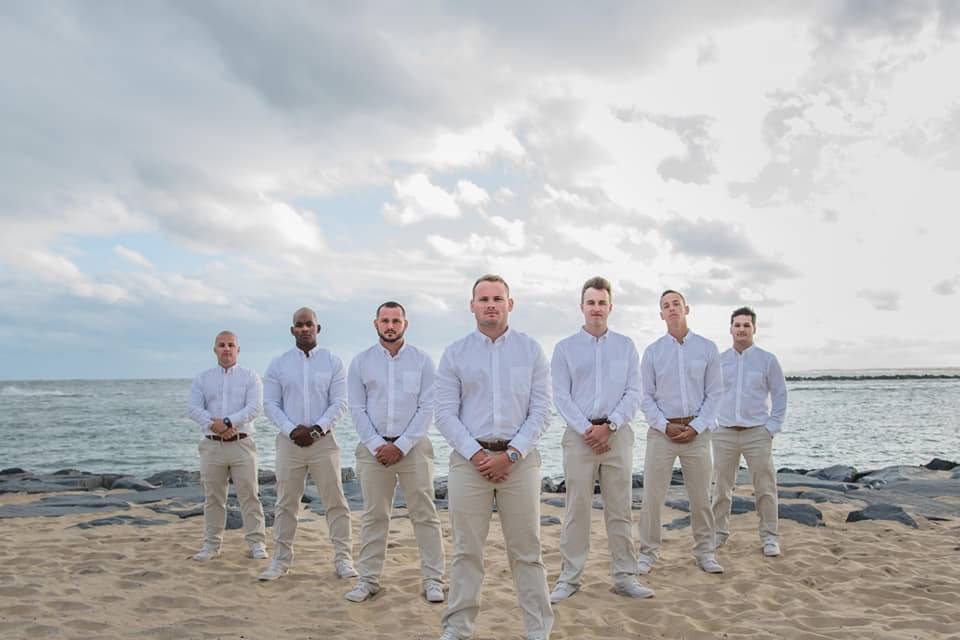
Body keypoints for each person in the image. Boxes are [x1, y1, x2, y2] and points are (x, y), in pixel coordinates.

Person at [435, 275, 554, 640]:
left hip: (520, 461)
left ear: (510, 304)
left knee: (527, 551)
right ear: (471, 305)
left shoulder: (531, 350)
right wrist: (476, 455)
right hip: (469, 463)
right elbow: (444, 413)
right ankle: (458, 628)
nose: (490, 304)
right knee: (466, 551)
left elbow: (542, 410)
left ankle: (538, 629)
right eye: (483, 298)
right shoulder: (455, 353)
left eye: (497, 298)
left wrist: (512, 453)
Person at [549, 277, 652, 603]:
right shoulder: (565, 348)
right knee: (576, 509)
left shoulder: (625, 346)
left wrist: (610, 425)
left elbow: (635, 392)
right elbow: (560, 395)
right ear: (582, 307)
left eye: (601, 303)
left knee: (620, 509)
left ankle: (625, 577)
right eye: (590, 302)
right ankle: (569, 578)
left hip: (617, 437)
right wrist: (587, 430)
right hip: (579, 439)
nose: (596, 308)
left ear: (610, 307)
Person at [344, 301, 445, 603]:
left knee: (425, 514)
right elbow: (357, 408)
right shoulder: (360, 362)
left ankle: (433, 580)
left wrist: (401, 446)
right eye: (385, 320)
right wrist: (378, 445)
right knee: (375, 516)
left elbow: (428, 407)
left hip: (413, 448)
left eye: (396, 321)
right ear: (375, 324)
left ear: (405, 324)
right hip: (373, 450)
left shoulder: (423, 361)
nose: (390, 326)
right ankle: (368, 580)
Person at [258, 307, 356, 581]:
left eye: (308, 324)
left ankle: (343, 559)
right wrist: (292, 430)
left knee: (335, 501)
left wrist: (316, 430)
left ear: (317, 328)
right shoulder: (278, 364)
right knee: (286, 502)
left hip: (323, 441)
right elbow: (270, 404)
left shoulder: (333, 362)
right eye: (299, 325)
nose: (304, 329)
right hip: (289, 443)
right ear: (292, 330)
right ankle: (280, 561)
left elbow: (340, 402)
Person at [637, 290, 725, 575]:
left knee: (701, 498)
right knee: (652, 497)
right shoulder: (652, 352)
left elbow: (715, 393)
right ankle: (648, 554)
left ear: (687, 308)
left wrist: (696, 427)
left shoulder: (707, 348)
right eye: (666, 306)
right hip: (662, 433)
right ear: (660, 314)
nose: (672, 309)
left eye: (676, 304)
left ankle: (704, 552)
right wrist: (664, 425)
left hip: (697, 434)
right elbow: (644, 396)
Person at [712, 306, 788, 557]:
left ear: (754, 328)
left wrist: (771, 428)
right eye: (737, 325)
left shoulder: (767, 360)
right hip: (724, 433)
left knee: (765, 487)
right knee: (721, 488)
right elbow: (709, 394)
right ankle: (718, 534)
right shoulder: (719, 360)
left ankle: (769, 537)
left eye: (746, 325)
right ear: (730, 329)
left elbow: (780, 395)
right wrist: (712, 424)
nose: (742, 329)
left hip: (757, 432)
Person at [187, 330, 267, 561]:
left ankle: (256, 544)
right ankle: (211, 546)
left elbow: (254, 408)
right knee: (213, 497)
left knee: (250, 495)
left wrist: (229, 422)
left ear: (238, 349)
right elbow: (193, 408)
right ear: (215, 350)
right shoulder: (203, 379)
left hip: (242, 444)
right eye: (222, 345)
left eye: (231, 345)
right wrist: (215, 426)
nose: (226, 349)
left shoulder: (250, 377)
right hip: (212, 446)